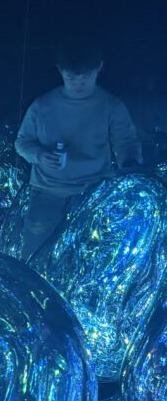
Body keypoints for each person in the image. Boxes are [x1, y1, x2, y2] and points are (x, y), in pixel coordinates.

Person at [15, 43, 141, 257]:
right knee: (35, 252)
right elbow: (22, 142)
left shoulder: (111, 106)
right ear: (60, 71)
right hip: (46, 192)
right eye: (71, 78)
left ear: (99, 68)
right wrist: (39, 155)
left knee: (88, 254)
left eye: (84, 78)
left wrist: (129, 167)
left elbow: (126, 143)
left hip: (92, 191)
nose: (78, 84)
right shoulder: (42, 105)